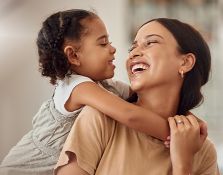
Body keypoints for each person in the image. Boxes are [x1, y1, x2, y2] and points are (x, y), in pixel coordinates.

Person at [0, 9, 174, 175]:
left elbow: (145, 100)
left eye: (110, 42)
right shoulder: (78, 87)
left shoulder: (108, 87)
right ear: (74, 56)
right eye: (103, 43)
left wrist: (188, 119)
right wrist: (176, 135)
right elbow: (130, 114)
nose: (112, 49)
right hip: (23, 168)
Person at [54, 18, 220, 175]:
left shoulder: (203, 151)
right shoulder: (100, 118)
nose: (133, 53)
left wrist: (183, 165)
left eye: (150, 42)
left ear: (185, 62)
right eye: (132, 48)